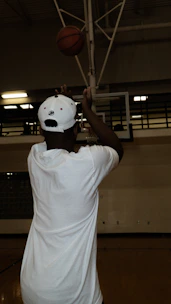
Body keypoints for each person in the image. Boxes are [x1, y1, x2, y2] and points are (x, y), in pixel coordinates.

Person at [20, 85, 123, 304]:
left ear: (40, 130)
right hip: (71, 293)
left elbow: (49, 143)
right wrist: (86, 110)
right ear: (76, 130)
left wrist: (62, 105)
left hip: (32, 287)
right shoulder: (88, 163)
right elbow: (116, 147)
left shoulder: (34, 158)